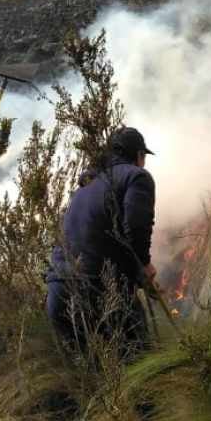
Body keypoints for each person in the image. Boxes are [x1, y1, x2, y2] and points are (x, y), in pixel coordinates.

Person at [46, 126, 157, 357]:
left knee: (89, 373)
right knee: (136, 362)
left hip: (58, 292)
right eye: (143, 156)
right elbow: (136, 226)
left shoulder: (84, 189)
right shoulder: (136, 176)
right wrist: (143, 266)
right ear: (138, 155)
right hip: (97, 287)